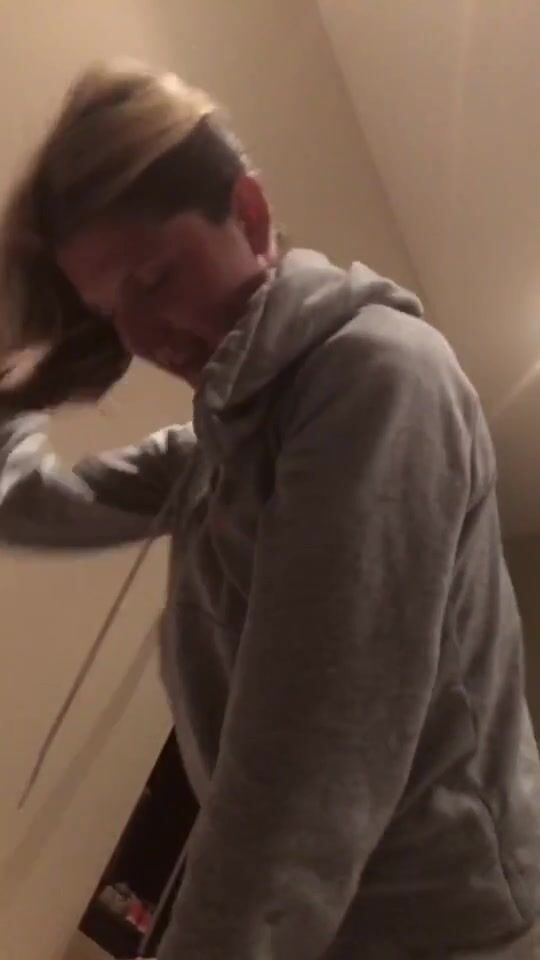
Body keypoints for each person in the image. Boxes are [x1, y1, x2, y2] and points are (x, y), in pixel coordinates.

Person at [0, 60, 539, 960]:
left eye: (152, 279)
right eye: (107, 312)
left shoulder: (374, 378)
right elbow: (34, 507)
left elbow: (304, 771)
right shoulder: (226, 439)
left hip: (441, 930)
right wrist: (28, 355)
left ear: (249, 215)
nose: (141, 337)